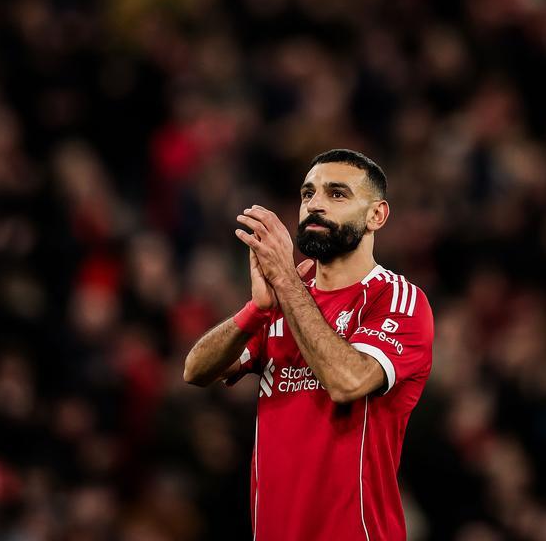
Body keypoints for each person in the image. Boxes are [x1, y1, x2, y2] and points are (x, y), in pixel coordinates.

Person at [183, 149, 434, 541]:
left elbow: (347, 381)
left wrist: (285, 282)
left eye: (337, 194)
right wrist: (256, 310)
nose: (315, 204)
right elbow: (195, 371)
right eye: (307, 193)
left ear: (376, 215)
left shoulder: (397, 299)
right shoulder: (285, 299)